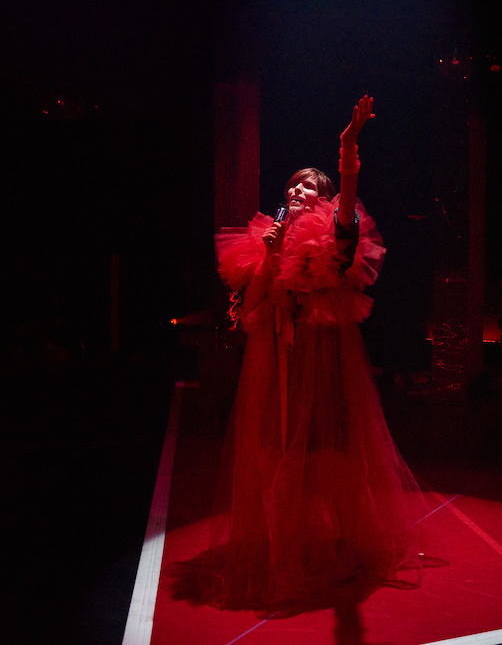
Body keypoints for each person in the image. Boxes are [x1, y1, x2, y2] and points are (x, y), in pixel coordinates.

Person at [172, 97, 432, 631]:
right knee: (274, 449)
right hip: (278, 356)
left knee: (326, 449)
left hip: (323, 357)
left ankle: (342, 541)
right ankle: (282, 545)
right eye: (292, 185)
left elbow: (346, 212)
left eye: (308, 186)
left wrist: (348, 150)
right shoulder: (266, 237)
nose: (296, 191)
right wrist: (270, 255)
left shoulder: (336, 227)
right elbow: (251, 308)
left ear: (325, 196)